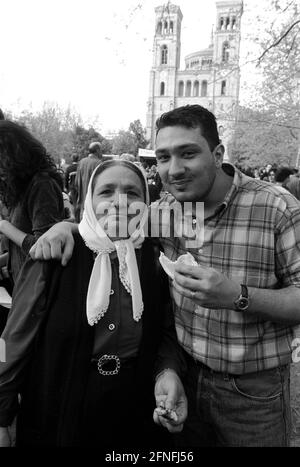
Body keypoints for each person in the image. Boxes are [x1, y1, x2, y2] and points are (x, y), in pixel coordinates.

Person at [28, 104, 300, 447]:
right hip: (175, 378)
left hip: (249, 393)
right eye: (163, 157)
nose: (174, 169)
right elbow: (110, 218)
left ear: (217, 154)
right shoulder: (165, 212)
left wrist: (237, 296)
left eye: (188, 153)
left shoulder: (275, 207)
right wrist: (66, 227)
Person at [0, 160, 187, 447]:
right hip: (59, 406)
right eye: (106, 192)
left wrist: (168, 370)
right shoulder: (54, 255)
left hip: (132, 407)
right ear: (89, 200)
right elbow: (12, 339)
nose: (119, 202)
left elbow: (163, 332)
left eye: (132, 193)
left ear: (145, 203)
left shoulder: (154, 259)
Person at [0, 120, 65, 287]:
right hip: (24, 284)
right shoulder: (20, 186)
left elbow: (44, 247)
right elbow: (20, 247)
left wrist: (4, 226)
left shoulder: (42, 185)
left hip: (38, 290)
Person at [75, 142, 103, 222]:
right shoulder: (98, 163)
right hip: (94, 204)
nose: (101, 153)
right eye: (101, 150)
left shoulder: (81, 162)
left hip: (82, 204)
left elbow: (76, 182)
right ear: (97, 150)